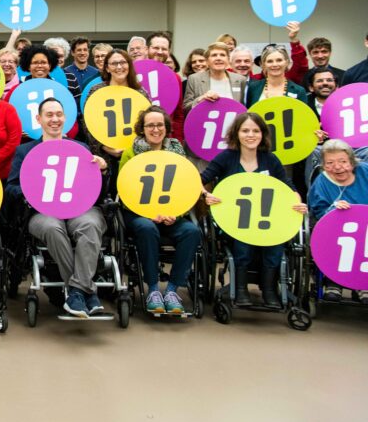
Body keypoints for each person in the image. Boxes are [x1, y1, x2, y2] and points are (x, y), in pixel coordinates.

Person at [6, 97, 108, 318]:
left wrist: (103, 171)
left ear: (65, 118)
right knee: (53, 229)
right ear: (38, 119)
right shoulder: (25, 151)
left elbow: (97, 191)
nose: (55, 119)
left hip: (79, 208)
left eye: (59, 114)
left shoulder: (80, 148)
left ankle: (76, 292)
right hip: (43, 211)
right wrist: (32, 194)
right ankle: (84, 291)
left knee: (90, 225)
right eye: (49, 115)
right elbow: (11, 187)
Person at [201, 113, 307, 307]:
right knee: (242, 243)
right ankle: (240, 290)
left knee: (276, 244)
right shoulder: (226, 158)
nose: (251, 135)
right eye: (245, 130)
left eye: (256, 131)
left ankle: (269, 290)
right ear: (236, 134)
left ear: (263, 134)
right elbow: (200, 180)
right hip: (233, 220)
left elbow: (288, 186)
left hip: (266, 220)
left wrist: (297, 201)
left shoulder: (270, 160)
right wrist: (206, 195)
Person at [118, 106, 201, 314]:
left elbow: (186, 187)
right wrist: (149, 213)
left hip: (172, 213)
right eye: (150, 125)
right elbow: (124, 189)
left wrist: (177, 213)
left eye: (160, 125)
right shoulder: (131, 153)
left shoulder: (177, 151)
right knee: (147, 228)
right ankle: (153, 289)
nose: (156, 129)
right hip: (140, 214)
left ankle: (172, 290)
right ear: (142, 129)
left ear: (166, 127)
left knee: (192, 232)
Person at [308, 139, 368, 303]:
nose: (337, 167)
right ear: (324, 166)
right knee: (333, 235)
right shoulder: (322, 181)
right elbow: (317, 210)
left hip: (366, 227)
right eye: (330, 163)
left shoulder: (365, 172)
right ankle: (332, 281)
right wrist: (333, 209)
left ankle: (363, 283)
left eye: (343, 161)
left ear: (352, 162)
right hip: (336, 231)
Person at [183, 42, 248, 112]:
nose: (218, 58)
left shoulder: (240, 80)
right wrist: (199, 100)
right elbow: (186, 108)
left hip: (234, 122)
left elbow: (244, 107)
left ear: (228, 60)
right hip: (204, 121)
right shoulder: (194, 79)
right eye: (214, 55)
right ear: (207, 61)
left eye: (222, 55)